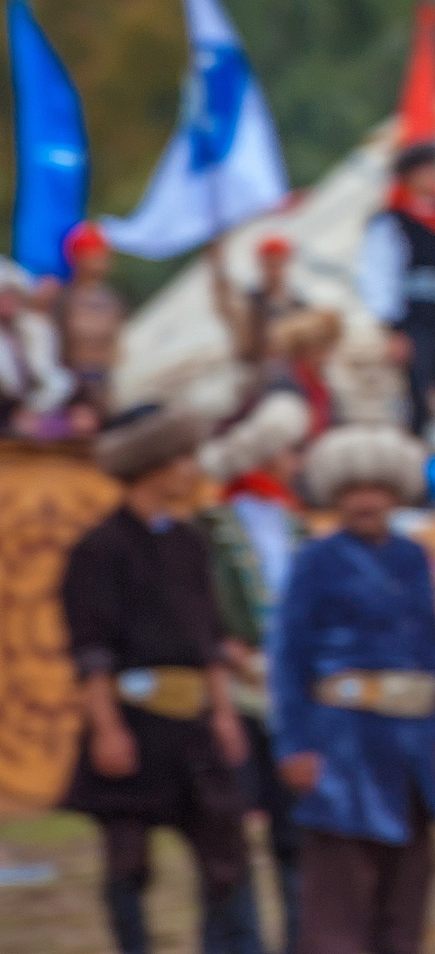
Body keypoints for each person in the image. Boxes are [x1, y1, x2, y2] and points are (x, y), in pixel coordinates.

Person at [57, 401, 261, 954]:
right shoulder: (97, 550)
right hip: (132, 720)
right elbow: (90, 650)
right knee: (128, 865)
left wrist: (222, 712)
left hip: (194, 725)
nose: (190, 469)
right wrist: (107, 728)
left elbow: (208, 640)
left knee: (227, 857)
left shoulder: (190, 544)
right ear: (153, 463)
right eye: (182, 457)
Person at [269, 425, 435, 954]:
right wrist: (296, 745)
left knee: (406, 899)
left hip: (411, 750)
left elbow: (434, 650)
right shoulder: (314, 560)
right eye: (352, 489)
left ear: (397, 494)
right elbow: (289, 657)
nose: (365, 501)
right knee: (339, 907)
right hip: (343, 747)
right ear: (334, 495)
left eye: (377, 488)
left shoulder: (414, 558)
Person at [199, 393, 316, 954]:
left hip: (289, 702)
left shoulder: (296, 527)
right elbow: (203, 610)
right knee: (230, 840)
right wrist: (228, 651)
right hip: (237, 700)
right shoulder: (215, 527)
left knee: (295, 839)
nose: (299, 462)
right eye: (292, 450)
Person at [357, 143, 435, 502]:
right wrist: (394, 329)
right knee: (418, 405)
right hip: (412, 322)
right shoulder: (390, 221)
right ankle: (413, 490)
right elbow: (378, 275)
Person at [212, 237, 306, 406]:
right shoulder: (252, 303)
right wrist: (217, 268)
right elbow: (225, 307)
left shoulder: (298, 304)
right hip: (260, 375)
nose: (274, 270)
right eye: (269, 264)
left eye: (278, 264)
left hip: (295, 374)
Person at [52, 219, 125, 430]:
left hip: (106, 380)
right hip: (74, 387)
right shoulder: (64, 301)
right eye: (95, 254)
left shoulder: (112, 300)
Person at [0, 256, 72, 437]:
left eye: (12, 295)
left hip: (34, 411)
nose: (9, 301)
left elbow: (53, 378)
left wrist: (32, 410)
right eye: (4, 295)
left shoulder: (37, 329)